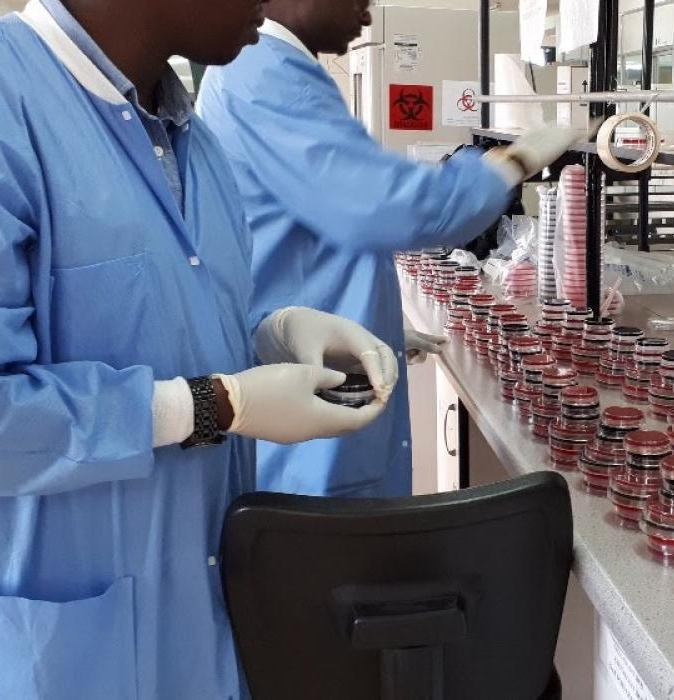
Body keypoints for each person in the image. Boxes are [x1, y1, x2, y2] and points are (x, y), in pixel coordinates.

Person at [0, 0, 399, 697]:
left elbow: (152, 328)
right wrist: (215, 405)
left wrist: (268, 335)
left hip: (185, 629)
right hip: (22, 655)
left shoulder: (193, 143)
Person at [197, 0, 574, 498]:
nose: (368, 17)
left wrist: (378, 328)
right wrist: (508, 165)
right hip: (310, 419)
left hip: (317, 363)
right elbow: (383, 205)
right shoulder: (264, 71)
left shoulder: (268, 70)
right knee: (328, 556)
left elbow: (306, 232)